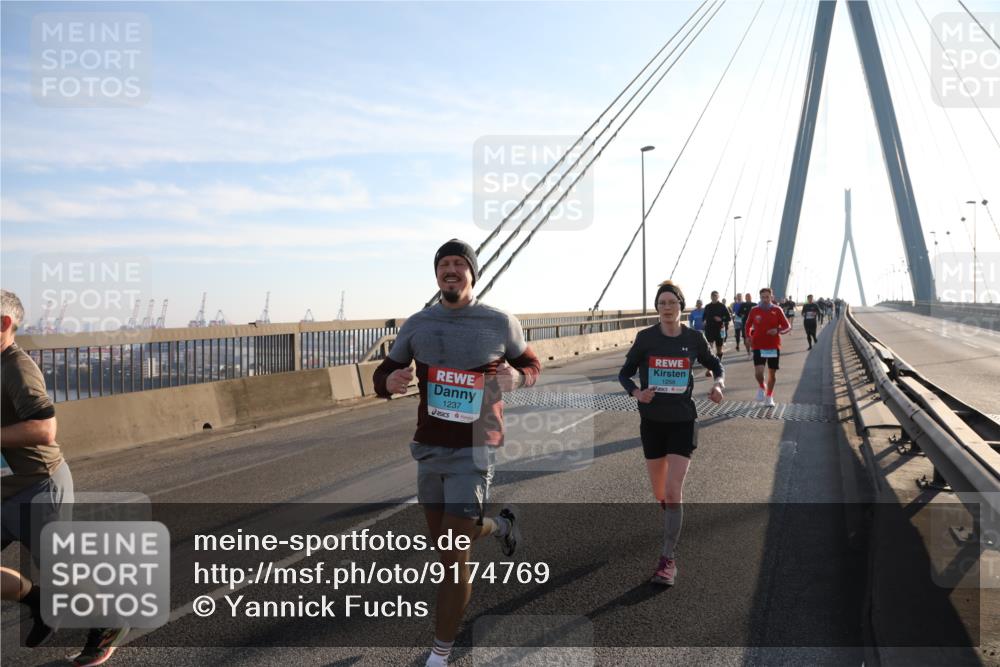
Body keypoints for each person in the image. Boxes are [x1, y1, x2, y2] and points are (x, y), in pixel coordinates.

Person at [372, 240, 541, 667]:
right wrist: (386, 384)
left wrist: (516, 377)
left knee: (451, 553)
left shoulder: (499, 322)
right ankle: (501, 525)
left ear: (472, 274)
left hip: (475, 448)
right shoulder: (418, 324)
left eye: (459, 264)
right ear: (436, 275)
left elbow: (532, 365)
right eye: (444, 264)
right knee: (445, 547)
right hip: (430, 448)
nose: (451, 270)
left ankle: (439, 653)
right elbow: (385, 371)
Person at [1, 290, 129, 666]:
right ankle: (37, 601)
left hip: (40, 487)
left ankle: (109, 621)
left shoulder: (17, 367)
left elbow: (44, 429)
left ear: (5, 324)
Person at [619, 280, 724, 587]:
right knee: (660, 493)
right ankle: (671, 520)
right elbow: (624, 374)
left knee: (674, 489)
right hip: (651, 421)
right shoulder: (645, 338)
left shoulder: (694, 338)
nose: (667, 307)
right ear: (658, 308)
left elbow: (716, 365)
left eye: (672, 302)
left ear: (681, 306)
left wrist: (718, 384)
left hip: (682, 420)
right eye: (661, 303)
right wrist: (637, 393)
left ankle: (668, 560)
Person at [743, 287, 791, 407]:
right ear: (760, 297)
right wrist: (748, 336)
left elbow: (787, 326)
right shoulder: (754, 310)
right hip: (758, 345)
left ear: (771, 297)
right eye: (763, 297)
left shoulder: (777, 310)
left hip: (773, 346)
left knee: (772, 374)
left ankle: (769, 396)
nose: (765, 299)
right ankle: (761, 386)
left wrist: (778, 330)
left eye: (767, 297)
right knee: (759, 372)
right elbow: (748, 325)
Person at [702, 291, 731, 376]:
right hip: (709, 330)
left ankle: (718, 364)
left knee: (719, 350)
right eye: (712, 296)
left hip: (719, 330)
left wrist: (721, 319)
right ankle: (709, 369)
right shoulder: (707, 306)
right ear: (710, 297)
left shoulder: (722, 306)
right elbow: (704, 317)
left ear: (718, 296)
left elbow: (728, 318)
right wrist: (703, 321)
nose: (714, 297)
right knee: (709, 349)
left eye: (715, 296)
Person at [740, 292, 756, 357]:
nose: (748, 298)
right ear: (745, 298)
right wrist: (741, 315)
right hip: (745, 325)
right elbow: (738, 314)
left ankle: (753, 350)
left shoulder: (755, 304)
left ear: (751, 297)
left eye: (749, 296)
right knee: (746, 341)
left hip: (754, 325)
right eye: (747, 297)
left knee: (753, 339)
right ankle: (749, 353)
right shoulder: (743, 305)